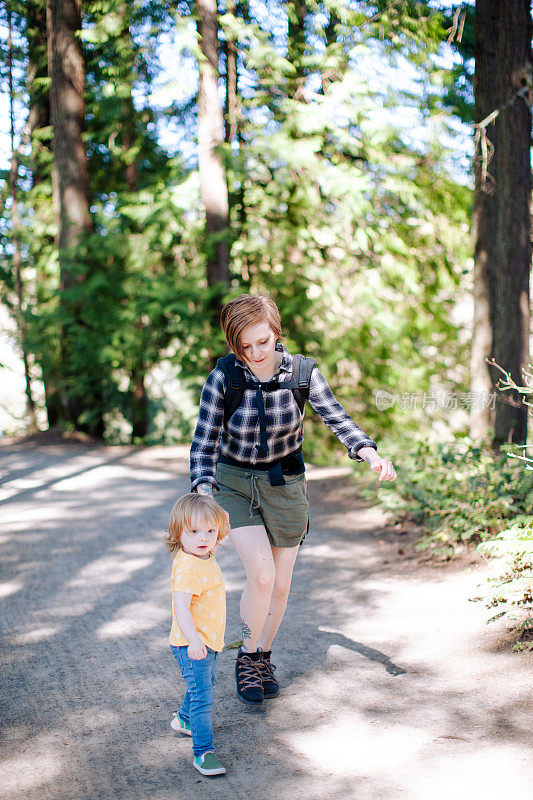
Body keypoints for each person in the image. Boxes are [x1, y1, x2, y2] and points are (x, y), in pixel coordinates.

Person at [190, 294, 397, 708]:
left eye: (262, 342)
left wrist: (369, 452)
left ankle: (262, 656)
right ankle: (247, 659)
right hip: (234, 482)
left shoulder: (302, 372)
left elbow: (336, 416)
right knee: (262, 576)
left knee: (280, 586)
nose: (255, 353)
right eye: (244, 347)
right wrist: (203, 490)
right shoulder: (223, 377)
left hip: (285, 482)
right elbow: (204, 439)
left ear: (276, 333)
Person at [166, 493, 230, 777]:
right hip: (192, 642)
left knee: (204, 684)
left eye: (210, 531)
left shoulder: (203, 552)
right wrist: (193, 639)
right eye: (193, 531)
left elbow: (222, 522)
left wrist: (217, 515)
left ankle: (183, 719)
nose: (204, 537)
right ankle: (203, 752)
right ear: (178, 533)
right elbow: (181, 608)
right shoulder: (189, 566)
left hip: (208, 640)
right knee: (203, 695)